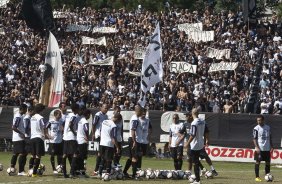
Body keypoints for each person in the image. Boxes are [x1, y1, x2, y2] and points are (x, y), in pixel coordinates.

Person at [123, 104, 143, 178]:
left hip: (133, 139)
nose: (142, 113)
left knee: (131, 157)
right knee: (135, 157)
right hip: (134, 140)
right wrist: (134, 141)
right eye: (141, 111)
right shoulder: (135, 119)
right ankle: (134, 175)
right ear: (138, 111)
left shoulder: (136, 118)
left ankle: (124, 172)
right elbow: (133, 130)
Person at [186, 108, 206, 184]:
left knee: (195, 163)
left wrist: (187, 143)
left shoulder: (194, 123)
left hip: (194, 144)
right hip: (200, 142)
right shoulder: (202, 121)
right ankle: (198, 178)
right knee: (196, 161)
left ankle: (197, 181)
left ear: (192, 113)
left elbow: (193, 134)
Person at [253, 115, 273, 182]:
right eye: (257, 120)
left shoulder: (268, 127)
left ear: (263, 120)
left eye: (260, 120)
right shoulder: (256, 128)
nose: (258, 122)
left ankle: (267, 176)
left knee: (268, 163)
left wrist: (272, 146)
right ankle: (257, 177)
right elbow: (254, 139)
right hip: (259, 148)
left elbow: (270, 137)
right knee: (257, 162)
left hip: (267, 148)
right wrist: (256, 147)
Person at [71, 108, 91, 178]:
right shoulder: (85, 121)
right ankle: (80, 172)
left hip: (77, 140)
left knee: (76, 156)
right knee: (81, 158)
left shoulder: (79, 120)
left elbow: (74, 127)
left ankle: (74, 172)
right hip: (82, 141)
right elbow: (86, 129)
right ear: (88, 114)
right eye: (90, 115)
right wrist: (87, 137)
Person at [62, 103, 80, 178]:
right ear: (76, 109)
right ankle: (72, 173)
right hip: (71, 137)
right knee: (75, 154)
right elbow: (70, 124)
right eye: (78, 109)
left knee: (65, 154)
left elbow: (64, 124)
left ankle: (64, 173)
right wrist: (74, 132)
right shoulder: (73, 116)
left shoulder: (68, 115)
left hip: (65, 137)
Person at [30, 103, 48, 177]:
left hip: (32, 138)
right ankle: (34, 173)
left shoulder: (32, 117)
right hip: (39, 138)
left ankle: (30, 170)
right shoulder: (40, 118)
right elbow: (44, 127)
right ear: (41, 110)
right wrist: (47, 135)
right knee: (38, 156)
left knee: (33, 155)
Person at [10, 104, 28, 176]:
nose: (26, 111)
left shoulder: (19, 116)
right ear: (23, 109)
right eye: (26, 109)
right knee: (22, 154)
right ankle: (21, 171)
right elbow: (14, 127)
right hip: (19, 138)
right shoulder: (18, 116)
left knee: (16, 153)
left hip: (16, 138)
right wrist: (21, 133)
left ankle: (12, 168)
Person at [92, 103, 109, 175]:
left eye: (107, 108)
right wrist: (93, 134)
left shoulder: (106, 116)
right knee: (99, 153)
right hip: (98, 135)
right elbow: (94, 124)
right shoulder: (98, 115)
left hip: (104, 136)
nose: (106, 109)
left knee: (103, 153)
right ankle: (96, 170)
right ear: (101, 108)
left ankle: (102, 168)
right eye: (105, 108)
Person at [46, 110, 63, 174]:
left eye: (60, 114)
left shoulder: (61, 121)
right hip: (53, 141)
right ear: (55, 115)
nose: (60, 116)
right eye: (59, 114)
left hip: (60, 140)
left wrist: (62, 130)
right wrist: (48, 135)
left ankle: (59, 167)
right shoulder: (51, 121)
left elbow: (62, 129)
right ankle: (54, 169)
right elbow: (45, 127)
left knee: (60, 155)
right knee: (52, 155)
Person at [23, 106, 35, 172]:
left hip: (30, 137)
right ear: (30, 111)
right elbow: (25, 127)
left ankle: (30, 168)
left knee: (31, 153)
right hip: (28, 137)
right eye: (33, 111)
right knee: (27, 153)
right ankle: (24, 169)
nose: (34, 112)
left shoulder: (30, 117)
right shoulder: (27, 118)